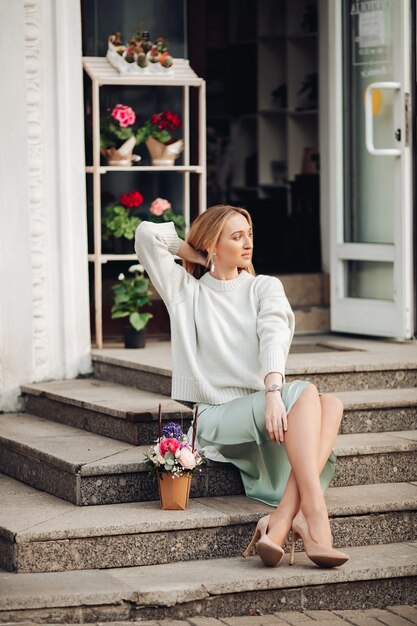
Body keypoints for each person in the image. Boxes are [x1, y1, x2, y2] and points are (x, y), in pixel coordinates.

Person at [135, 204, 349, 568]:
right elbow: (146, 235)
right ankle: (313, 517)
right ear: (212, 245)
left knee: (333, 404)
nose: (247, 243)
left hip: (264, 414)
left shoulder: (263, 287)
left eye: (249, 235)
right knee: (309, 393)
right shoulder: (187, 292)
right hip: (217, 419)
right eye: (236, 236)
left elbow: (274, 334)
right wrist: (200, 255)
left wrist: (272, 392)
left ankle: (282, 518)